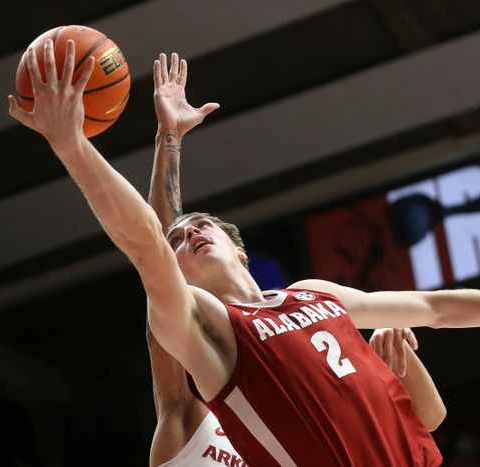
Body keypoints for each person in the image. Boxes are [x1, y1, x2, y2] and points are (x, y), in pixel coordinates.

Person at [7, 40, 480, 466]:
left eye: (203, 227)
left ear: (240, 247)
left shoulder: (316, 296)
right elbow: (148, 241)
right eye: (181, 238)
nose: (189, 233)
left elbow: (435, 310)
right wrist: (74, 147)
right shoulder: (207, 341)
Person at [142, 53, 447, 466]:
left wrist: (400, 358)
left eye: (199, 232)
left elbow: (427, 420)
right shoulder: (186, 411)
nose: (189, 239)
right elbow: (156, 255)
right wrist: (168, 140)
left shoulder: (299, 393)